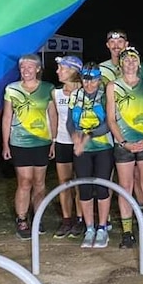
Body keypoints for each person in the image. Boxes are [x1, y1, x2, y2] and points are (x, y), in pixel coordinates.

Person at [105, 46, 143, 249]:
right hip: (123, 143)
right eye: (126, 60)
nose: (130, 63)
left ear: (139, 63)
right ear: (120, 63)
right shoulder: (112, 86)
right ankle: (127, 233)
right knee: (125, 188)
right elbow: (111, 119)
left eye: (133, 60)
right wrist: (123, 142)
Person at [2, 53, 57, 240]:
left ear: (38, 69)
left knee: (39, 182)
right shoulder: (12, 89)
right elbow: (7, 117)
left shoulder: (48, 88)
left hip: (42, 142)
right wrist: (5, 143)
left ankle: (38, 216)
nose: (26, 70)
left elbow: (53, 116)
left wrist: (54, 140)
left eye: (30, 67)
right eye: (23, 67)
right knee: (24, 182)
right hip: (19, 142)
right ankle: (22, 218)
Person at [68, 62, 115, 248]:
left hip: (103, 147)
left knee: (102, 188)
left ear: (99, 79)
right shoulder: (75, 95)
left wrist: (86, 137)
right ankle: (89, 228)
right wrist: (75, 137)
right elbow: (70, 122)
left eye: (93, 80)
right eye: (85, 80)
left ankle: (102, 227)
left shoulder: (105, 95)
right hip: (82, 149)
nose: (89, 84)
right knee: (84, 189)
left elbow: (108, 124)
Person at [51, 55, 84, 239]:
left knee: (79, 183)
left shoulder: (85, 91)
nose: (57, 71)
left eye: (61, 68)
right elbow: (55, 118)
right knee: (64, 183)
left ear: (72, 71)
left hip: (80, 143)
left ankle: (80, 219)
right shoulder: (55, 93)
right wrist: (54, 140)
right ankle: (66, 219)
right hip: (63, 142)